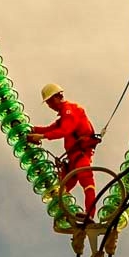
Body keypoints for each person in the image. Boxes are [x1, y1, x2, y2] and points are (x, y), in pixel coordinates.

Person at [30, 82, 100, 220]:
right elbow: (50, 128)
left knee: (86, 181)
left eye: (50, 101)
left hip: (81, 154)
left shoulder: (70, 110)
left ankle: (89, 215)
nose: (50, 105)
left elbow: (64, 130)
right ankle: (65, 215)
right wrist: (33, 130)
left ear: (57, 97)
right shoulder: (64, 115)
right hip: (72, 157)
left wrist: (42, 136)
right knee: (62, 189)